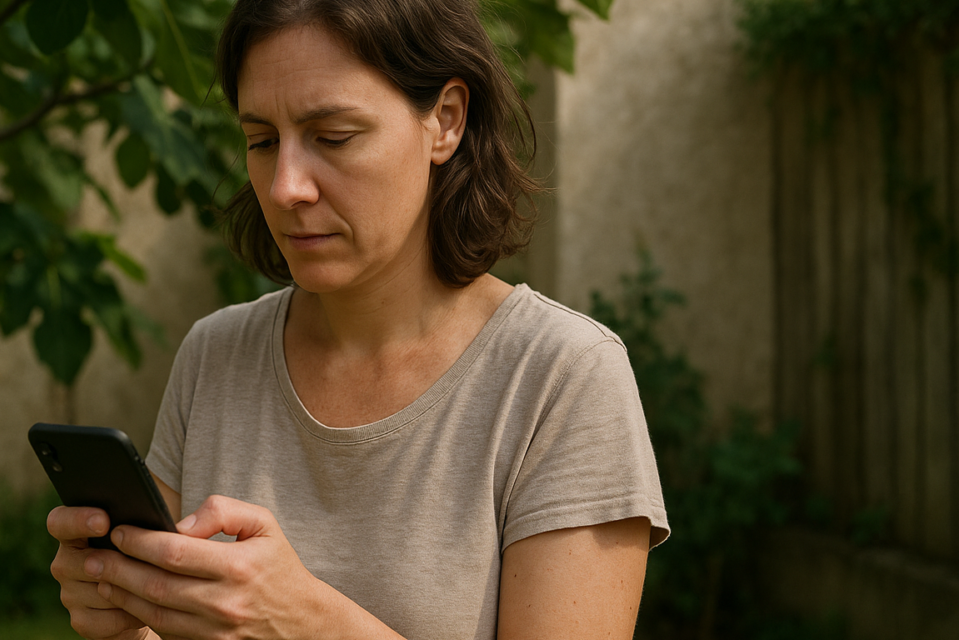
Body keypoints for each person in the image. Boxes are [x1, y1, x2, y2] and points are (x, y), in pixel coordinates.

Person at [47, 0, 669, 638]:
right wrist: (131, 616)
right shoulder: (215, 355)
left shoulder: (562, 377)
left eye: (334, 137)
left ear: (445, 121)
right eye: (261, 141)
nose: (285, 187)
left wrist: (305, 621)